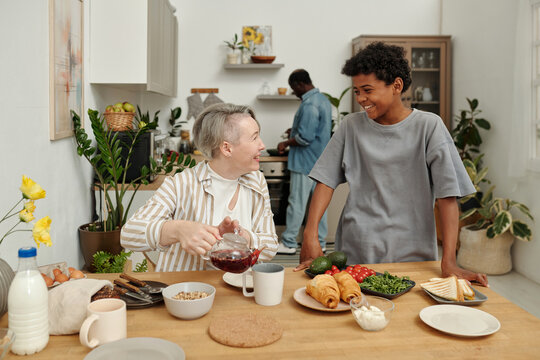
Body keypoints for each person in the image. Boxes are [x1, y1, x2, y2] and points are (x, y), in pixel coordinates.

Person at [294, 42, 488, 287]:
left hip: (412, 254)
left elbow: (447, 196)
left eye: (367, 90)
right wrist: (311, 235)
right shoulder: (351, 127)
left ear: (396, 85)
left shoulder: (429, 127)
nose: (361, 99)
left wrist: (449, 260)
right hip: (357, 250)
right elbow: (325, 181)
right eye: (356, 92)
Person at [121, 103, 278, 271]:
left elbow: (271, 246)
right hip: (186, 290)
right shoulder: (182, 183)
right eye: (254, 138)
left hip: (240, 290)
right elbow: (128, 234)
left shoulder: (256, 180)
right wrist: (178, 230)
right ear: (227, 148)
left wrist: (245, 238)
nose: (262, 145)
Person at [276, 69, 332, 255]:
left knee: (297, 203)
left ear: (300, 84)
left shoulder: (309, 104)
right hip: (319, 162)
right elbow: (317, 130)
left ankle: (290, 242)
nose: (294, 92)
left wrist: (286, 142)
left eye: (294, 88)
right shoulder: (323, 100)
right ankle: (320, 242)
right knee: (318, 205)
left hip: (304, 162)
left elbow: (306, 138)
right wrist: (294, 130)